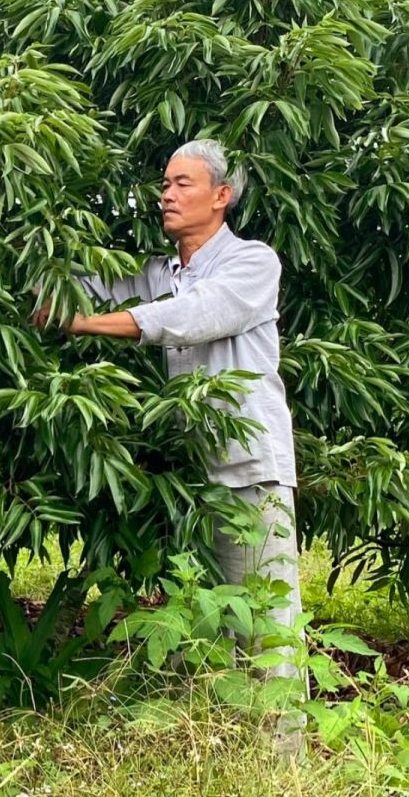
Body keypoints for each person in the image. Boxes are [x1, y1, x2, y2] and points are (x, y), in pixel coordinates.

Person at [54, 139, 303, 750]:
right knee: (207, 621)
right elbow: (92, 285)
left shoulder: (251, 262)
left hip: (250, 474)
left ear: (222, 197)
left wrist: (80, 323)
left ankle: (286, 772)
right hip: (191, 479)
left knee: (268, 627)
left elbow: (191, 316)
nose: (166, 193)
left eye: (182, 183)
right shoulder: (159, 272)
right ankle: (224, 757)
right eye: (164, 183)